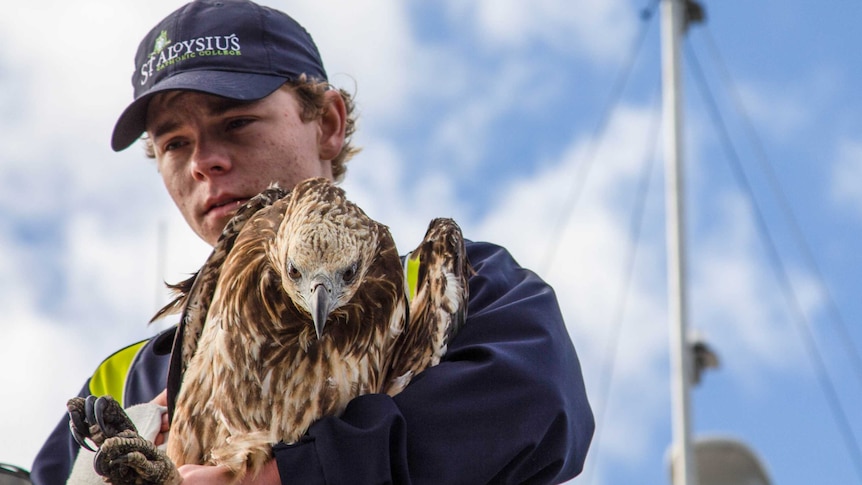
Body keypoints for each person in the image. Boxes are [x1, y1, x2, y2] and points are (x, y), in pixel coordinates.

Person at [31, 1, 595, 484]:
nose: (205, 162)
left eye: (236, 123)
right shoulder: (129, 378)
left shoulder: (446, 282)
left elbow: (538, 411)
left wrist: (289, 474)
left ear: (327, 122)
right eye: (175, 144)